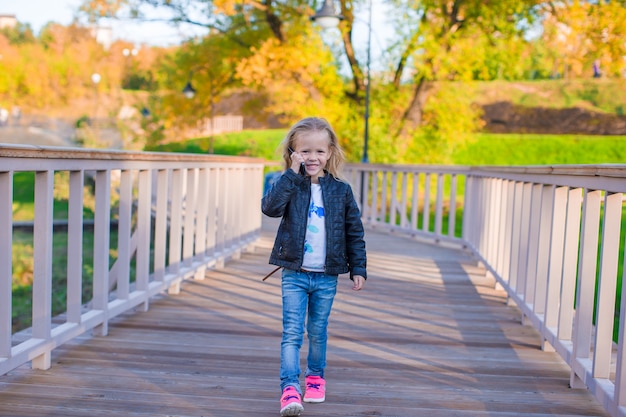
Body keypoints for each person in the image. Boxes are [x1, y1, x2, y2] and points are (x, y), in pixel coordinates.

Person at [261, 117, 367, 416]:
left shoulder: (341, 191)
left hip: (326, 276)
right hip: (294, 273)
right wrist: (291, 176)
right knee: (292, 332)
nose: (312, 157)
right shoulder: (288, 184)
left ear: (330, 152)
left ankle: (316, 378)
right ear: (293, 153)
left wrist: (358, 268)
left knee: (318, 331)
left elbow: (354, 232)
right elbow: (270, 208)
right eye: (304, 151)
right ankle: (289, 388)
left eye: (319, 151)